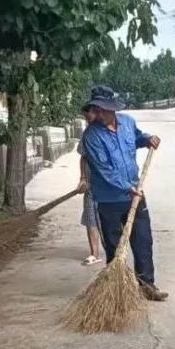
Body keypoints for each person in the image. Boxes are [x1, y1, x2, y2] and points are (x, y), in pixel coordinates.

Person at [81, 85, 168, 301]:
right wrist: (126, 188)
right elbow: (104, 170)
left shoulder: (128, 122)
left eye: (103, 110)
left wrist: (147, 139)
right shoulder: (91, 136)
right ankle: (117, 290)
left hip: (135, 196)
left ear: (113, 109)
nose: (98, 114)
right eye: (96, 110)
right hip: (109, 200)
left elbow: (137, 139)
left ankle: (147, 285)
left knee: (143, 240)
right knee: (114, 246)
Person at [77, 104, 102, 266]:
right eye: (85, 118)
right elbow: (83, 157)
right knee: (91, 217)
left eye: (89, 116)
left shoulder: (108, 132)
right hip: (91, 185)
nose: (87, 120)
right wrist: (83, 178)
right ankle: (94, 253)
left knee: (108, 220)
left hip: (108, 185)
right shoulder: (87, 134)